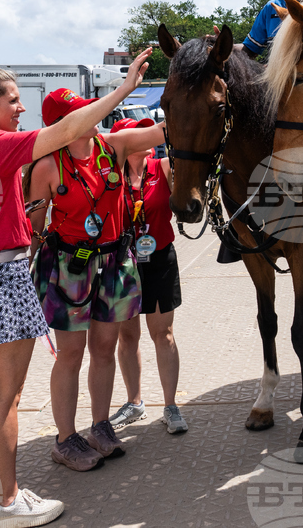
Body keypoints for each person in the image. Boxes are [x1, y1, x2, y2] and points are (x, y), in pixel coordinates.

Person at [0, 51, 163, 527]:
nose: (20, 109)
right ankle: (6, 502)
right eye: (12, 101)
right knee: (5, 397)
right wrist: (125, 89)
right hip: (2, 280)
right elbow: (67, 131)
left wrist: (3, 222)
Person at [26, 92, 164, 471]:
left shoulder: (112, 146)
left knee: (105, 348)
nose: (94, 114)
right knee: (70, 354)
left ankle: (99, 427)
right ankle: (64, 439)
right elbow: (34, 231)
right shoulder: (47, 166)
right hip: (70, 265)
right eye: (81, 112)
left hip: (116, 260)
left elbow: (167, 131)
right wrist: (24, 277)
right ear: (63, 123)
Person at [107, 118, 186, 434]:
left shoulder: (164, 167)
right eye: (139, 130)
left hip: (160, 259)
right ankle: (134, 402)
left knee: (163, 334)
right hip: (124, 263)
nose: (148, 135)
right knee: (127, 336)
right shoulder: (113, 177)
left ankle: (170, 406)